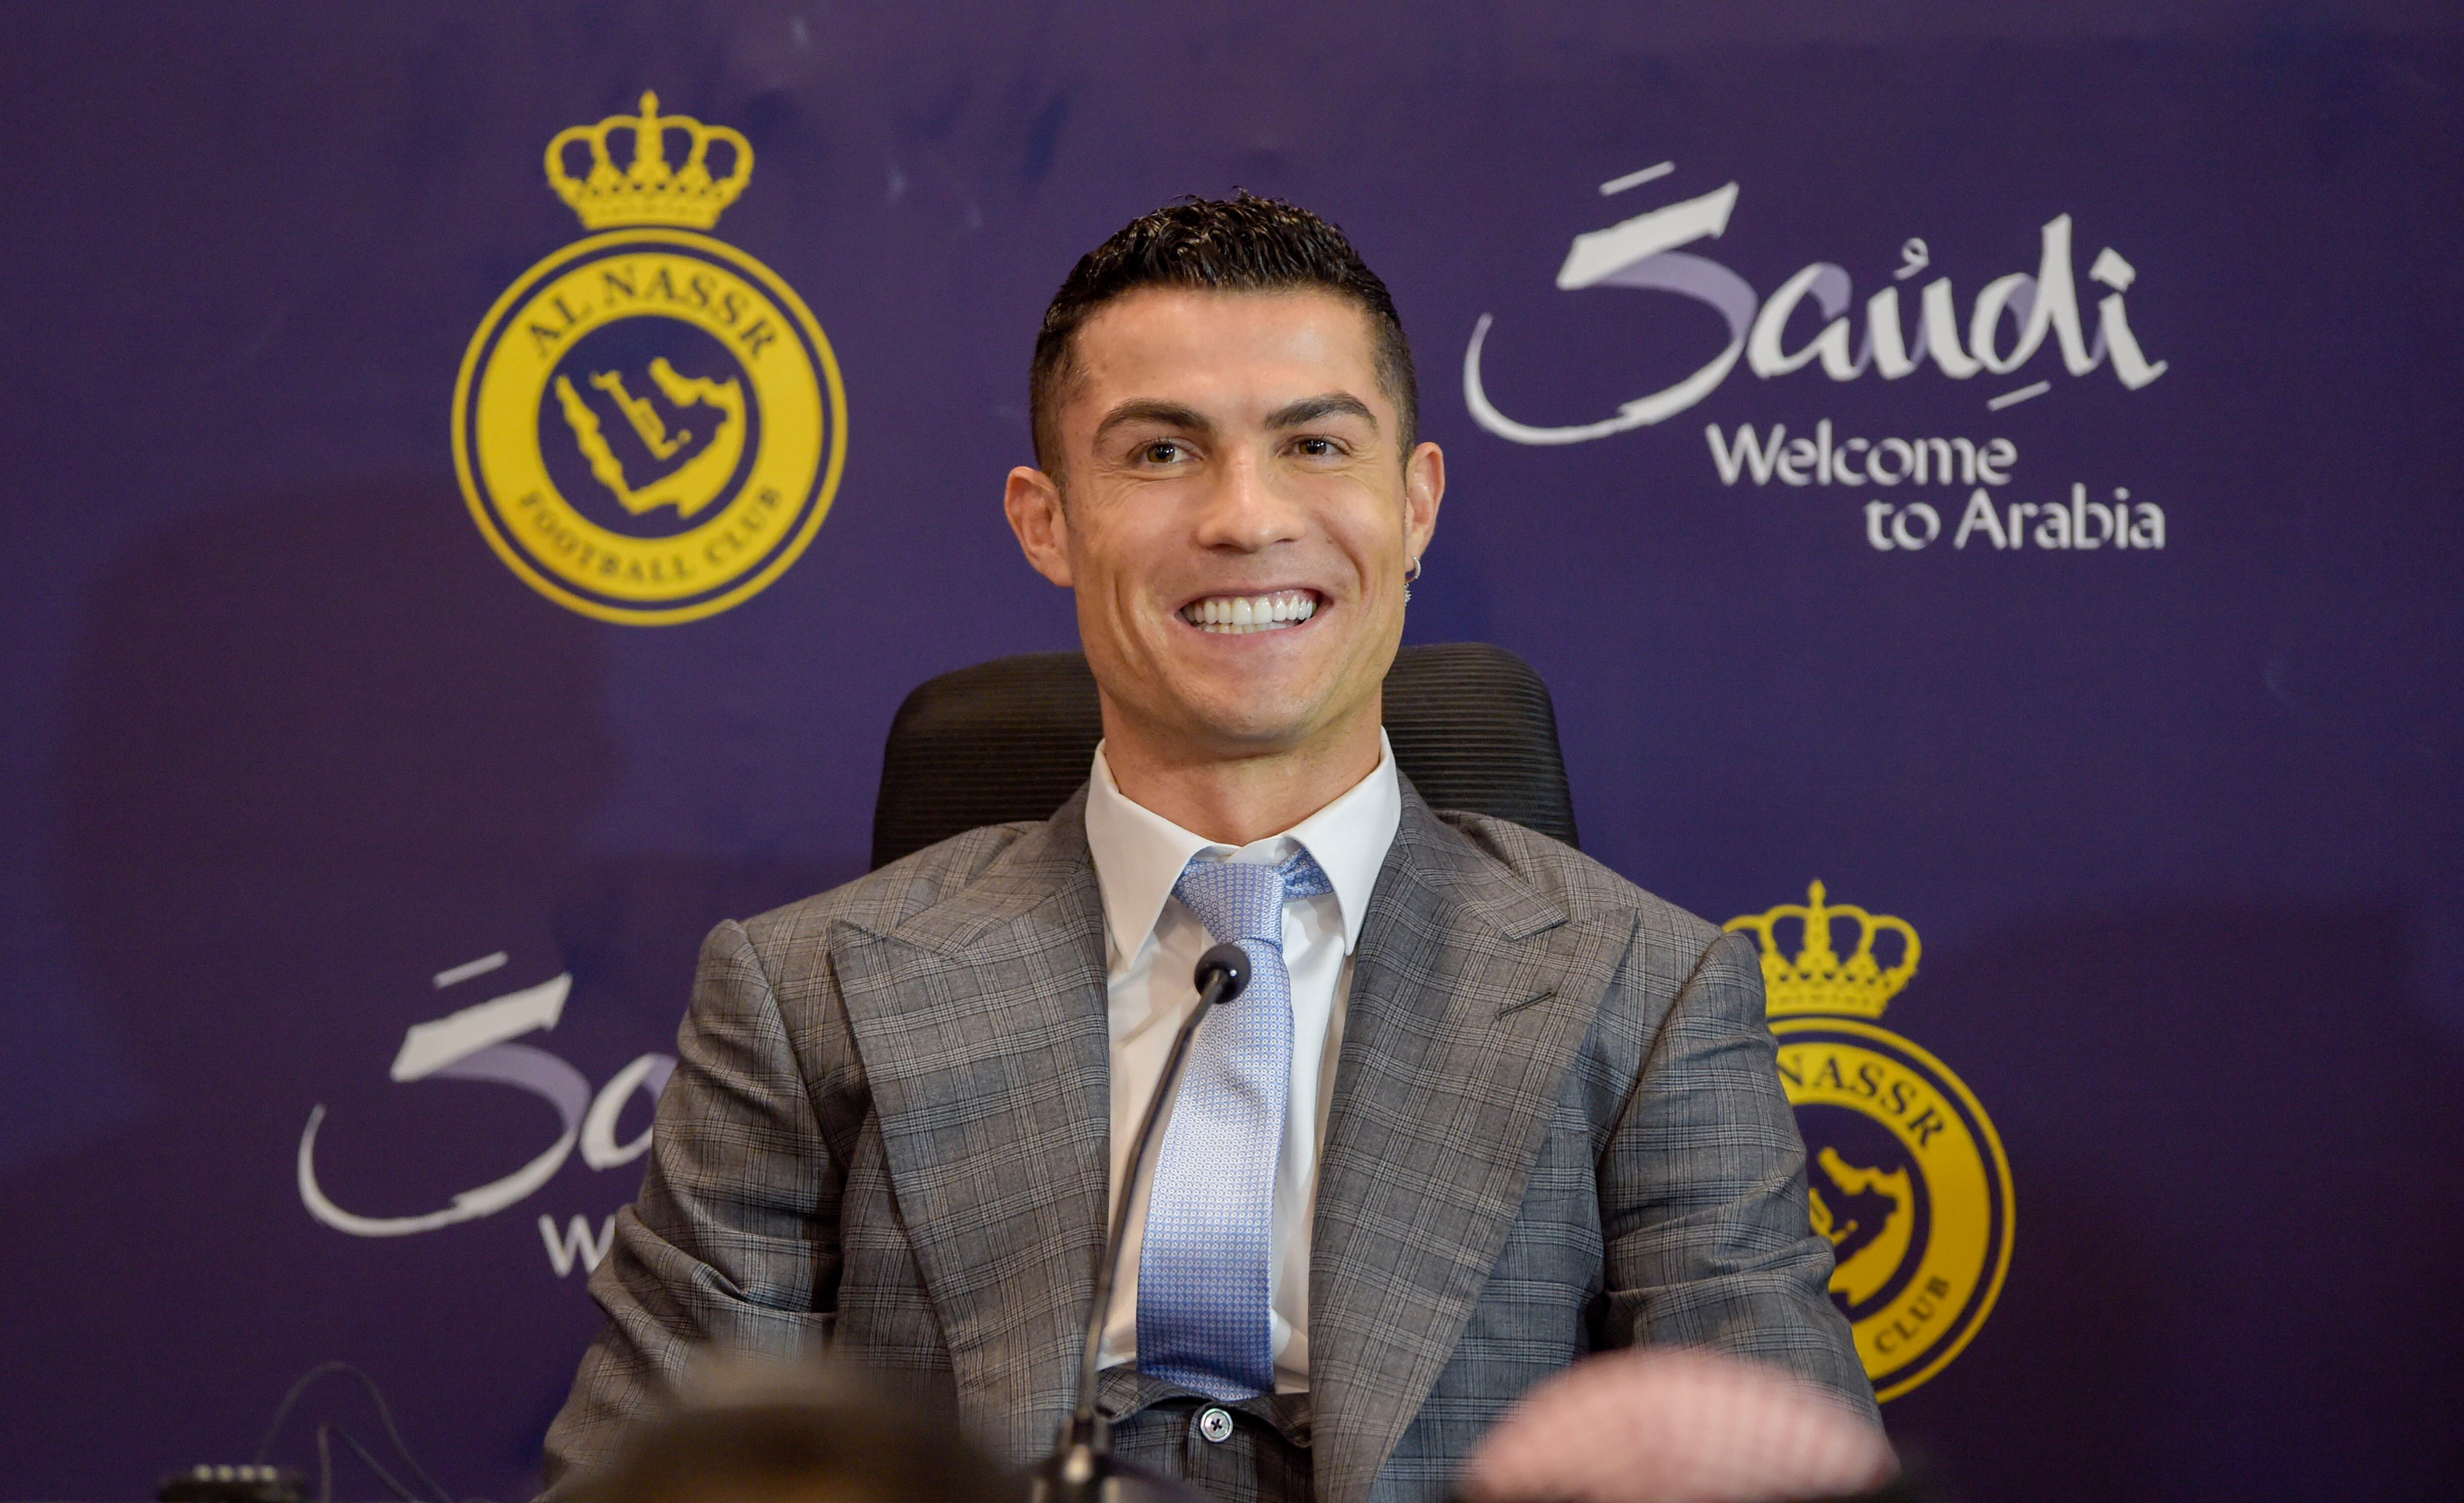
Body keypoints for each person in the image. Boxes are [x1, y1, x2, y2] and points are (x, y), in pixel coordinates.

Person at [542, 194, 1873, 1503]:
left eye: (1314, 445)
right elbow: (655, 1484)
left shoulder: (1649, 993)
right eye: (1162, 453)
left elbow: (1774, 1473)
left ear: (1416, 505)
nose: (1245, 516)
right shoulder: (802, 996)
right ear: (1045, 519)